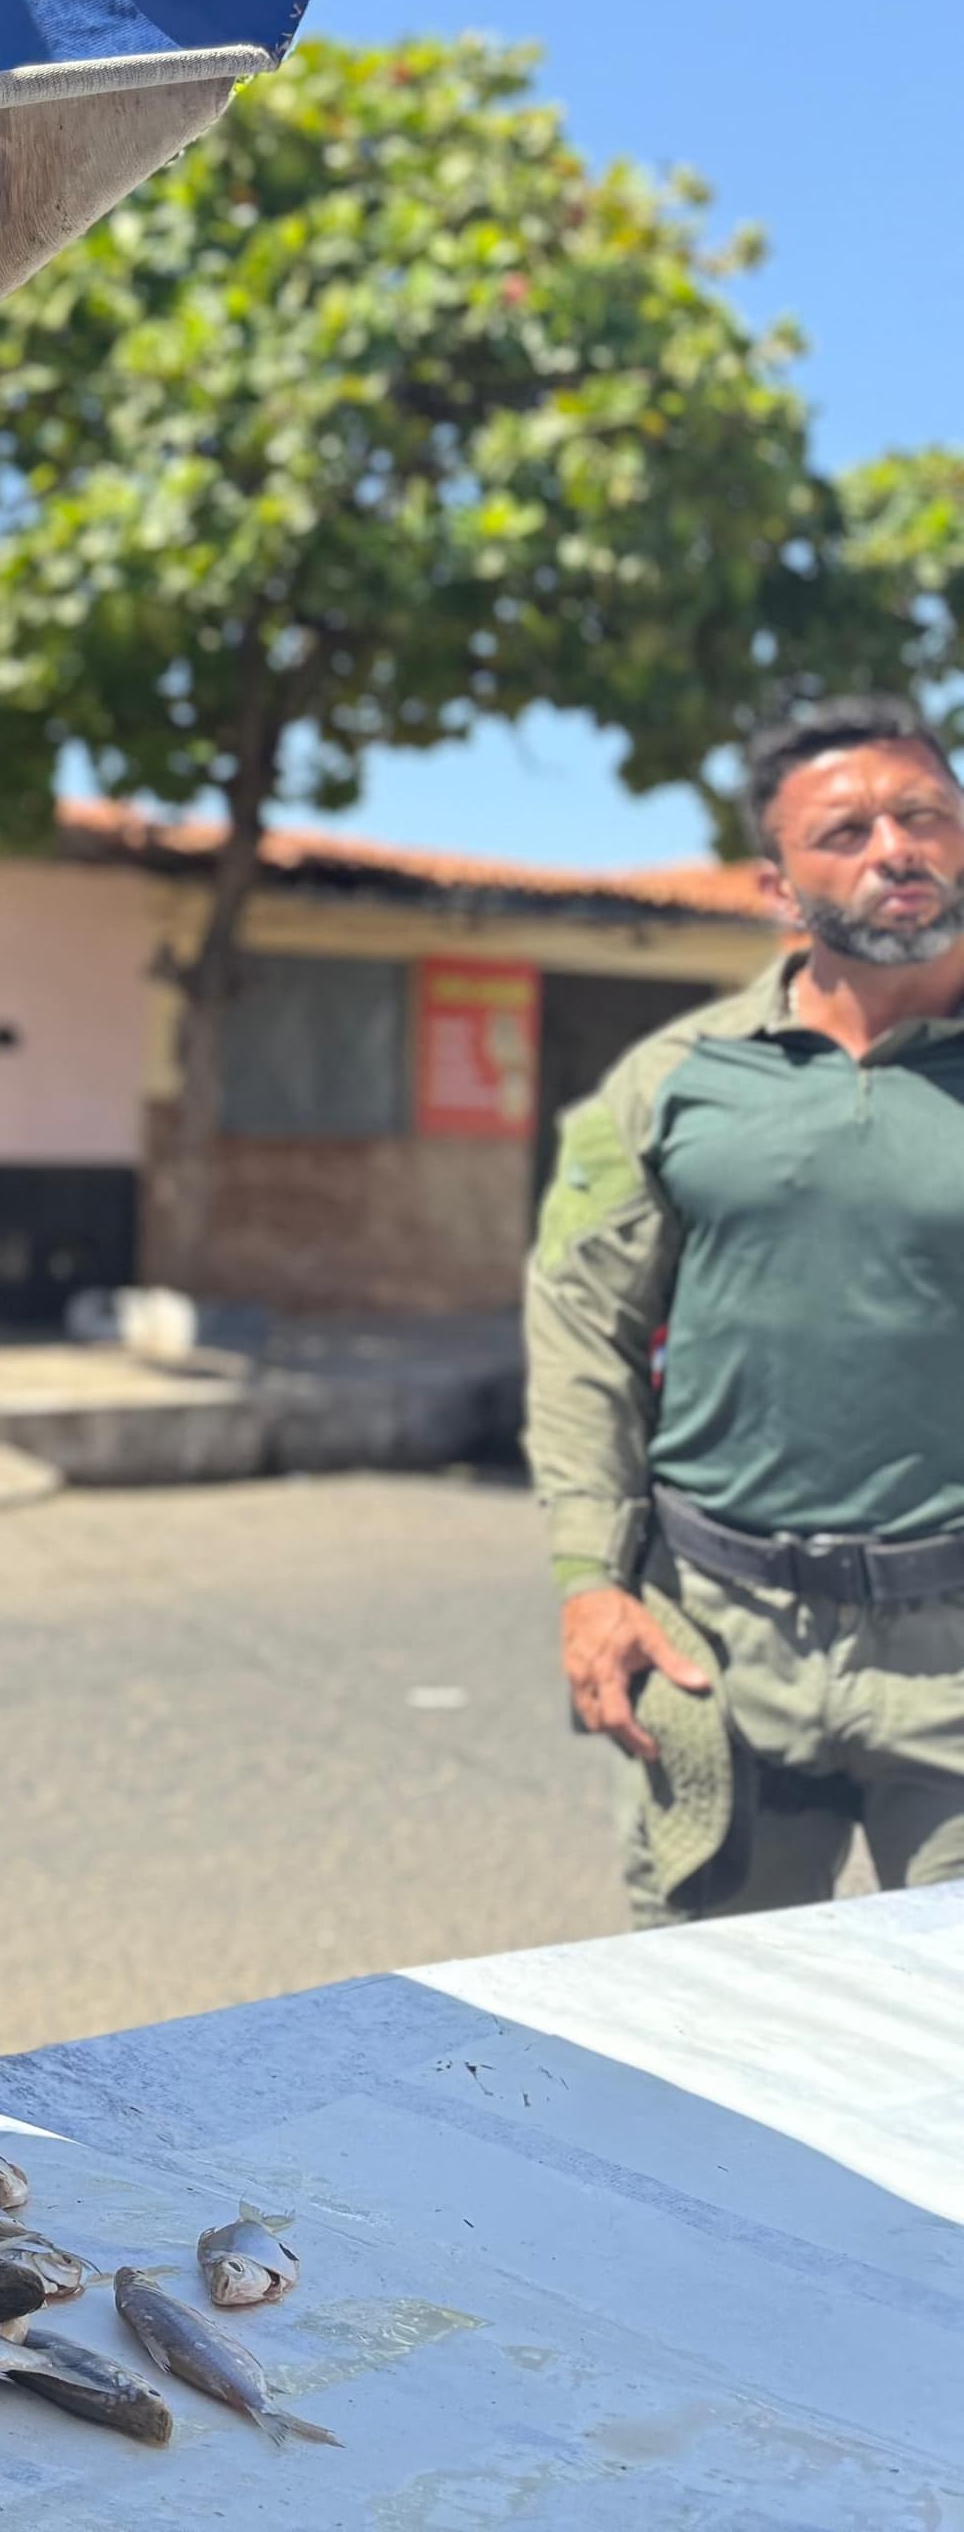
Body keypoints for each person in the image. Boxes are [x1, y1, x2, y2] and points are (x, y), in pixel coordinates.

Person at [527, 693, 964, 1923]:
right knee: (714, 2039)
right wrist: (589, 1580)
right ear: (778, 885)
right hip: (718, 1639)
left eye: (924, 813)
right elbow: (581, 1331)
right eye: (847, 831)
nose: (896, 848)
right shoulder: (675, 1082)